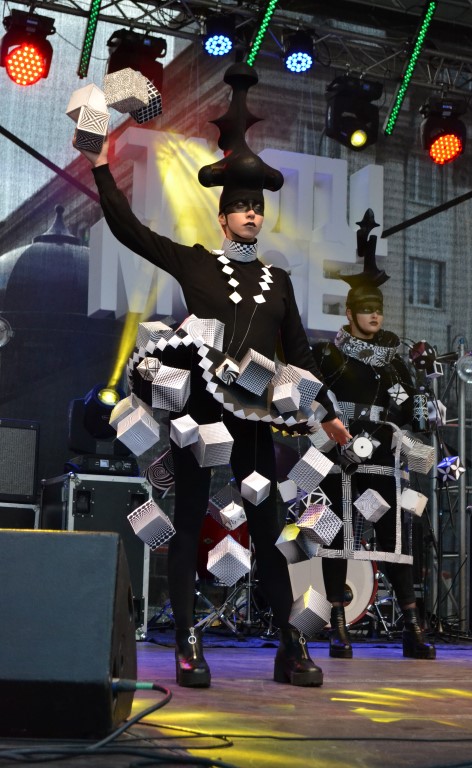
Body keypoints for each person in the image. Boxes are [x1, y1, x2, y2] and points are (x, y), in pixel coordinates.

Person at [73, 73, 351, 688]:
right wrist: (99, 166)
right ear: (223, 218)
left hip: (252, 420)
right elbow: (130, 231)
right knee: (190, 513)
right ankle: (187, 641)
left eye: (258, 208)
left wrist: (328, 410)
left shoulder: (279, 282)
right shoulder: (196, 263)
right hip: (199, 415)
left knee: (270, 529)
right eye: (242, 208)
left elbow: (301, 355)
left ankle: (290, 646)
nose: (252, 214)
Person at [312, 280, 436, 661]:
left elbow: (410, 413)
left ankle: (412, 627)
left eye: (378, 308)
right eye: (366, 308)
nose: (375, 315)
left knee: (393, 539)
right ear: (349, 313)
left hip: (382, 458)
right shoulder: (328, 355)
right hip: (338, 455)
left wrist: (423, 398)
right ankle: (337, 625)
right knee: (335, 537)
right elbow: (307, 400)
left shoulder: (393, 365)